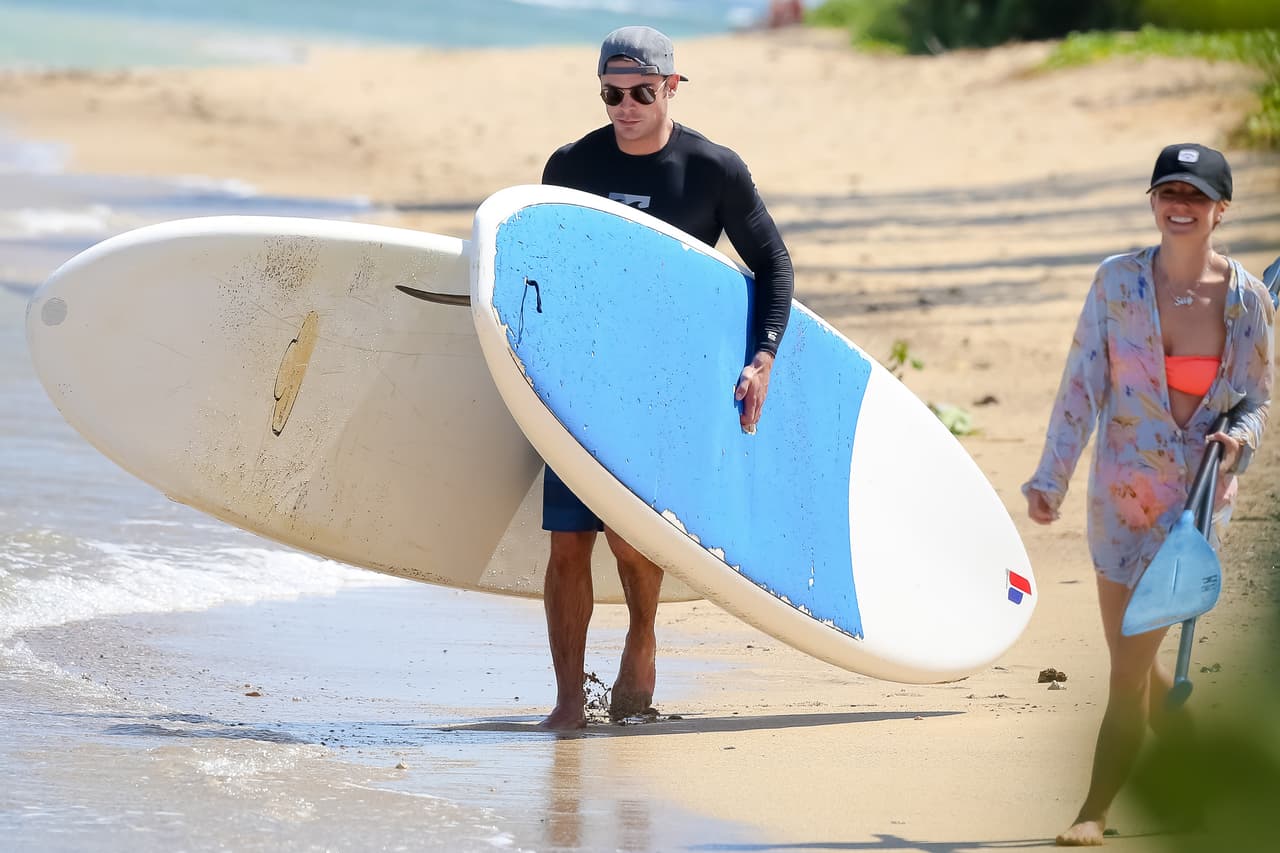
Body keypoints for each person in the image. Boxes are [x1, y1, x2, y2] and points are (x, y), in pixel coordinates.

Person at [537, 25, 794, 730]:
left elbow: (773, 265)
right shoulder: (571, 165)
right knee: (567, 543)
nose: (625, 107)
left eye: (642, 93)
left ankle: (643, 634)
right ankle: (567, 701)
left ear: (672, 87)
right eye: (612, 94)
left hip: (663, 386)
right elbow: (544, 262)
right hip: (580, 380)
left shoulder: (711, 170)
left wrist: (763, 358)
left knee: (629, 535)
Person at [1023, 143, 1273, 846]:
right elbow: (1081, 385)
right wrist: (1051, 478)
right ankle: (1202, 796)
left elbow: (1257, 401)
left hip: (1194, 507)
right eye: (1169, 192)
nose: (1180, 206)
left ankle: (1094, 809)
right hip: (1119, 502)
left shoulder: (1247, 300)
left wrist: (1238, 441)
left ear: (1221, 210)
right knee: (1138, 667)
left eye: (1196, 196)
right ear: (1154, 202)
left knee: (1128, 668)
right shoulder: (1116, 283)